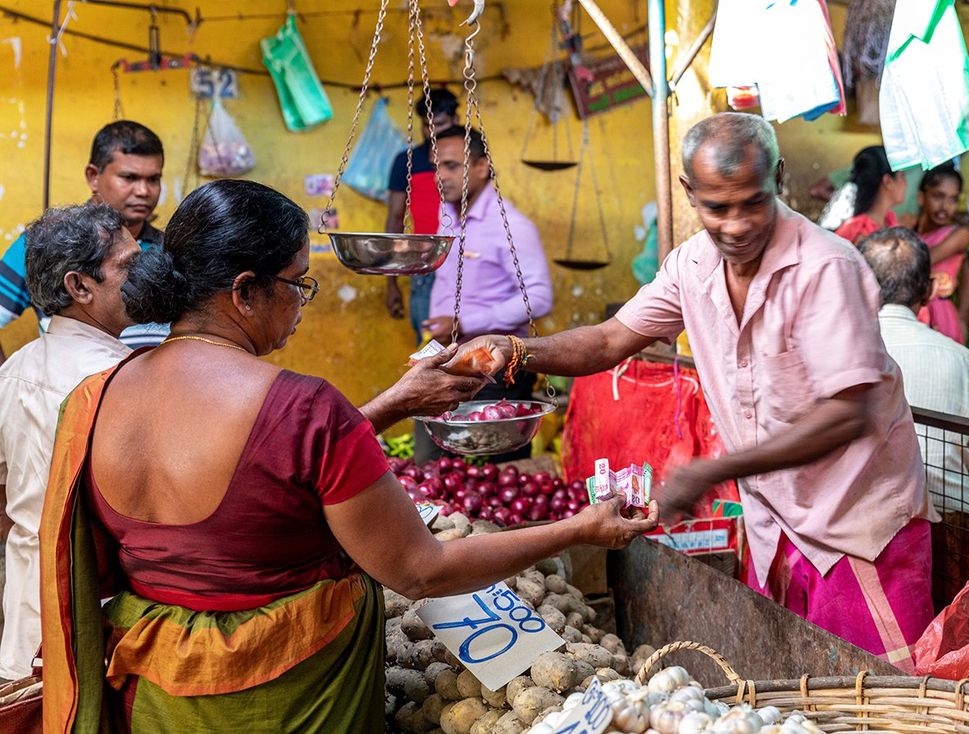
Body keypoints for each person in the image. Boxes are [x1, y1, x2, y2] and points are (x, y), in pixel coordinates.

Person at [38, 179, 658, 732]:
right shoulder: (303, 407)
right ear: (245, 292)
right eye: (296, 284)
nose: (303, 302)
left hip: (157, 702)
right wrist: (580, 529)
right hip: (292, 700)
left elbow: (260, 483)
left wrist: (392, 404)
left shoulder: (94, 402)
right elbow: (421, 571)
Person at [453, 113, 938, 671]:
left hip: (857, 526)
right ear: (689, 192)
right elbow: (611, 338)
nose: (735, 226)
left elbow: (847, 414)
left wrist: (712, 469)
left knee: (883, 700)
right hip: (775, 526)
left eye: (752, 203)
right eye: (717, 208)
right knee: (803, 696)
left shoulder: (826, 267)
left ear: (778, 178)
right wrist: (514, 350)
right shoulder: (691, 265)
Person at [0, 204, 139, 682]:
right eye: (128, 266)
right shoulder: (120, 379)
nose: (144, 276)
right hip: (93, 626)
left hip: (25, 621)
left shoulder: (13, 369)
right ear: (80, 287)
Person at [859, 227, 969, 607]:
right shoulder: (963, 360)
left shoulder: (841, 356)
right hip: (959, 532)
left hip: (867, 531)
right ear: (928, 290)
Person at [420, 125, 553, 462]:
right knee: (433, 467)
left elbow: (538, 297)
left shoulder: (511, 225)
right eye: (436, 166)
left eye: (452, 166)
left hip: (494, 369)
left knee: (499, 471)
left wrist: (465, 321)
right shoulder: (447, 214)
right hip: (447, 362)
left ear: (481, 167)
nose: (440, 176)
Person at [0, 120, 170, 362]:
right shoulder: (42, 245)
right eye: (129, 177)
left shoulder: (169, 248)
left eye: (153, 179)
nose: (144, 191)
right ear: (93, 176)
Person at [384, 89, 459, 343]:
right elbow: (395, 219)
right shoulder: (406, 161)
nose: (432, 132)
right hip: (425, 264)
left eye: (439, 124)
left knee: (470, 343)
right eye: (427, 125)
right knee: (428, 342)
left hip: (466, 262)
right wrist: (391, 283)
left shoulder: (469, 161)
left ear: (455, 120)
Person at [914, 162, 969, 344]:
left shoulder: (960, 235)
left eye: (953, 199)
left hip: (939, 315)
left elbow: (920, 262)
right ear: (921, 197)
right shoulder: (911, 230)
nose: (945, 206)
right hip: (912, 312)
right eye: (938, 196)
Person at [835, 145, 907, 245]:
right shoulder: (858, 231)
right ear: (888, 182)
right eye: (902, 176)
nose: (905, 184)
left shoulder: (890, 221)